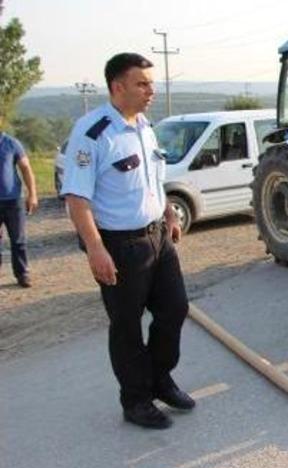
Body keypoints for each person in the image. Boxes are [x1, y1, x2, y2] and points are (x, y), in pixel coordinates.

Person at [61, 53, 193, 430]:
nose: (151, 90)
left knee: (175, 309)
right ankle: (135, 400)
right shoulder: (93, 133)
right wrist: (95, 248)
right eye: (142, 83)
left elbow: (153, 177)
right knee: (127, 325)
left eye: (151, 83)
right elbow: (77, 199)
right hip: (119, 246)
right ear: (117, 87)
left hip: (157, 237)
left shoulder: (144, 126)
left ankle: (160, 379)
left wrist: (167, 212)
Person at [0, 122, 38, 288]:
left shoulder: (11, 143)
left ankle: (22, 274)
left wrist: (32, 194)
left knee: (18, 240)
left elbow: (26, 168)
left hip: (13, 200)